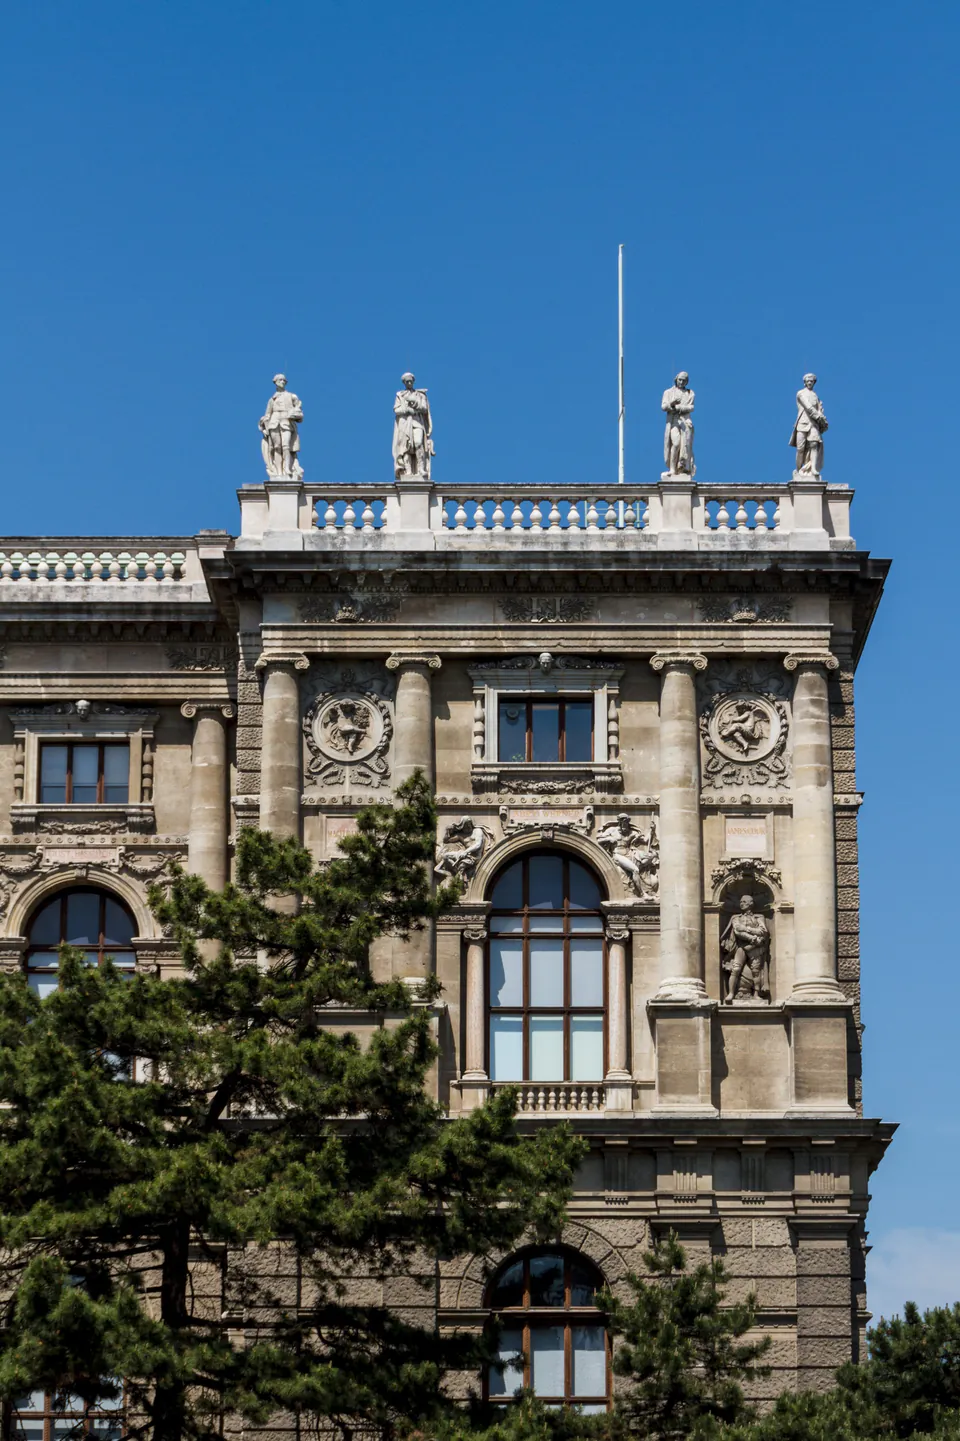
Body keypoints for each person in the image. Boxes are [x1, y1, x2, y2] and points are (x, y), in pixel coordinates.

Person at [721, 894, 771, 1002]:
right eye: (741, 902)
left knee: (756, 971)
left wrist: (746, 929)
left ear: (750, 904)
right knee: (736, 969)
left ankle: (756, 993)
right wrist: (752, 938)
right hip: (742, 947)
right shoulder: (736, 918)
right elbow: (737, 931)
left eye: (744, 902)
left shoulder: (759, 917)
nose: (741, 904)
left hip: (755, 948)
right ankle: (731, 993)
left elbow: (763, 931)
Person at [259, 374, 303, 478]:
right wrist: (263, 426)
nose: (282, 381)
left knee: (286, 446)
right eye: (280, 380)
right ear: (275, 382)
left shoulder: (292, 396)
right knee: (277, 447)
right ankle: (279, 472)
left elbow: (300, 414)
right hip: (274, 423)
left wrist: (294, 414)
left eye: (284, 380)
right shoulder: (272, 399)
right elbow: (267, 415)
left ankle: (287, 469)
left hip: (286, 421)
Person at [392, 373, 434, 479]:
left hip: (417, 422)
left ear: (413, 382)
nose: (409, 383)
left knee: (419, 443)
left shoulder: (420, 395)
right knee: (405, 447)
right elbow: (396, 410)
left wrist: (416, 404)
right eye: (407, 382)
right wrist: (407, 409)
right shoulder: (400, 395)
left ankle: (421, 469)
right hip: (404, 423)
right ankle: (408, 471)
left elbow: (424, 408)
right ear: (404, 383)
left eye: (410, 381)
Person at [789, 373, 828, 476]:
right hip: (802, 423)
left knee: (814, 444)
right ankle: (798, 470)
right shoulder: (800, 393)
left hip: (813, 424)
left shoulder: (816, 397)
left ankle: (813, 469)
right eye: (808, 381)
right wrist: (818, 417)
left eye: (811, 381)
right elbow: (808, 407)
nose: (810, 383)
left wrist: (821, 416)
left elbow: (819, 409)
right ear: (805, 382)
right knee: (800, 448)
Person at [661, 371, 695, 475]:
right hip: (673, 421)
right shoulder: (668, 392)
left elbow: (691, 407)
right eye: (680, 380)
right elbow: (663, 406)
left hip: (685, 422)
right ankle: (672, 469)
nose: (681, 382)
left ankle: (682, 467)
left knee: (684, 445)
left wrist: (679, 407)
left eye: (684, 381)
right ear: (676, 379)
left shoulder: (690, 393)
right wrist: (672, 404)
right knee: (675, 443)